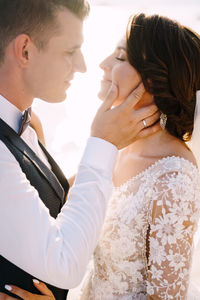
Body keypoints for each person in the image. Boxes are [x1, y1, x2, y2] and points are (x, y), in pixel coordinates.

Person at [0, 1, 160, 299]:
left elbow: (51, 210)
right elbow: (65, 266)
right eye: (70, 52)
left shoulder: (30, 125)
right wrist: (103, 143)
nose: (84, 65)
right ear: (25, 51)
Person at [66, 13, 200, 299]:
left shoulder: (173, 177)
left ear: (152, 80)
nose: (103, 64)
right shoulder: (114, 149)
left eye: (120, 57)